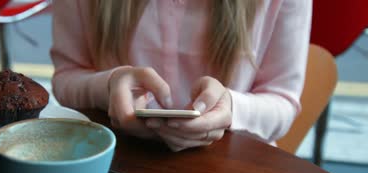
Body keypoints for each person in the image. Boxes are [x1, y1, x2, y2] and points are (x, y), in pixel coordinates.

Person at [50, 0, 312, 152]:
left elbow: (282, 103)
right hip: (117, 161)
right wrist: (106, 87)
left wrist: (232, 108)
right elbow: (66, 78)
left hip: (235, 171)